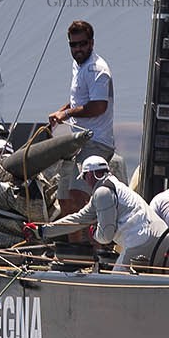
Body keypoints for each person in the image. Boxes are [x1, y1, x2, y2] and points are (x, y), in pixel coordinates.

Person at [26, 156, 164, 272]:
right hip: (164, 238)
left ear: (90, 174)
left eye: (85, 177)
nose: (85, 182)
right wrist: (42, 230)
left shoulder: (102, 193)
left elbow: (105, 237)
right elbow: (78, 219)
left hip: (140, 240)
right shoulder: (115, 188)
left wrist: (94, 233)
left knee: (116, 286)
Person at [47, 20, 118, 214]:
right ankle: (76, 245)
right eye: (73, 44)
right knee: (64, 200)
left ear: (91, 43)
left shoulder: (97, 70)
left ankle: (98, 243)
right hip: (80, 141)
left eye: (82, 44)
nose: (78, 49)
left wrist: (67, 113)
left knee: (79, 197)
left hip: (97, 142)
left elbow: (99, 106)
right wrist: (61, 112)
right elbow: (80, 99)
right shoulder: (78, 64)